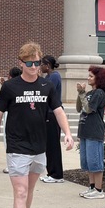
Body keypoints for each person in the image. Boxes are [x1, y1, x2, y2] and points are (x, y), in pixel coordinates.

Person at [0, 42, 74, 208]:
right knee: (21, 191)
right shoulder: (11, 87)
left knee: (30, 190)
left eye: (37, 63)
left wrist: (68, 133)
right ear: (21, 63)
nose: (34, 67)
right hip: (17, 146)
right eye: (29, 63)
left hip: (39, 146)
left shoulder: (47, 87)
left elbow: (59, 110)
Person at [75, 66, 105, 199]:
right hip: (85, 130)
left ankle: (98, 189)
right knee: (87, 161)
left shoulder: (99, 93)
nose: (88, 78)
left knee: (95, 160)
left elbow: (88, 109)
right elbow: (79, 108)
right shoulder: (90, 93)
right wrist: (81, 93)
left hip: (94, 130)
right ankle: (91, 187)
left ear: (98, 78)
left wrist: (82, 93)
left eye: (91, 76)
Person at [39, 55, 65, 184]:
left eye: (41, 64)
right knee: (48, 145)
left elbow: (46, 92)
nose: (40, 67)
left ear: (47, 65)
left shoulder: (54, 76)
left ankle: (57, 174)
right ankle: (51, 172)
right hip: (47, 113)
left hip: (53, 114)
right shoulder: (48, 77)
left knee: (53, 145)